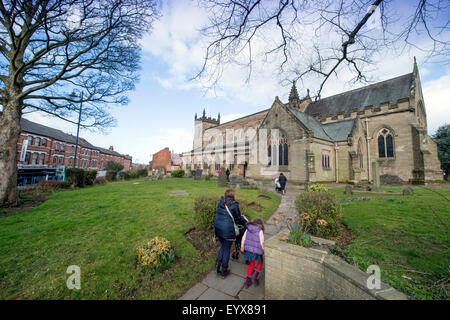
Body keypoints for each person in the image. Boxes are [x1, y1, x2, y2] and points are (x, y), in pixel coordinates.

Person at [214, 189, 248, 278]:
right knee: (227, 249)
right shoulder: (234, 205)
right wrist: (244, 220)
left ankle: (218, 266)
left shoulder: (221, 202)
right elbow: (237, 218)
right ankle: (224, 270)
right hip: (227, 230)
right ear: (233, 196)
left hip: (218, 228)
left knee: (223, 246)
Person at [240, 217, 265, 288]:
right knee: (260, 262)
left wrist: (242, 247)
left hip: (249, 250)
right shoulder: (260, 231)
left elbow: (243, 238)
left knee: (251, 264)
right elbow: (262, 242)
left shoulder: (248, 229)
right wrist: (264, 250)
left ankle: (248, 282)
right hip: (257, 251)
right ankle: (255, 278)